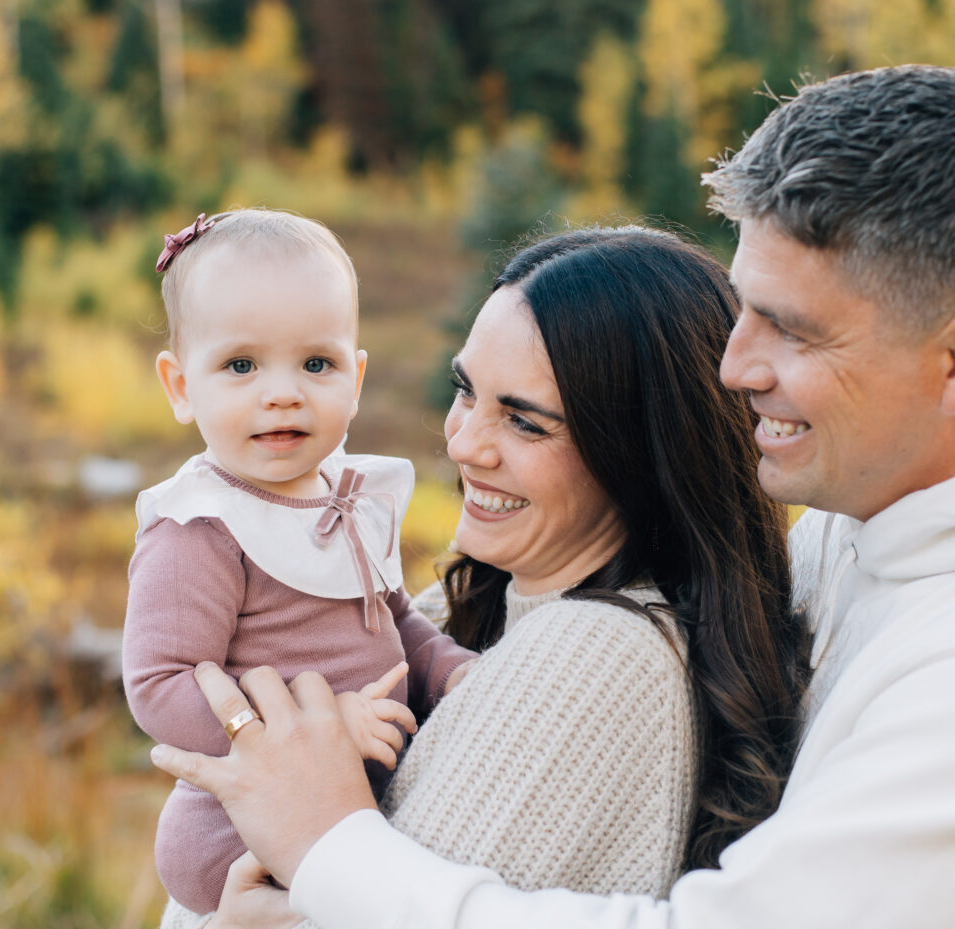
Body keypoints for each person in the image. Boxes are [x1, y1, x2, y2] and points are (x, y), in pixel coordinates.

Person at [152, 65, 955, 929]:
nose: (734, 364)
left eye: (790, 329)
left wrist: (329, 848)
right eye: (742, 305)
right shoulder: (867, 511)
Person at [163, 225, 810, 928]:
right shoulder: (466, 604)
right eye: (465, 390)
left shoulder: (597, 655)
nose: (464, 441)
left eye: (525, 423)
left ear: (643, 453)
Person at [122, 208, 478, 918]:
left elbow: (393, 618)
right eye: (241, 365)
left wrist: (452, 672)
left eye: (316, 363)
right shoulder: (202, 525)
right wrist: (316, 734)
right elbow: (158, 685)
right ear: (181, 386)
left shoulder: (349, 496)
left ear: (356, 376)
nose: (281, 391)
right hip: (241, 831)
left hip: (349, 804)